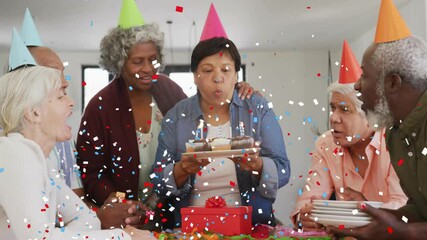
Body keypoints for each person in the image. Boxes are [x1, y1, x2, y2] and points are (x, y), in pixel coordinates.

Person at [76, 22, 256, 229]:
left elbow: (201, 110)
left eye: (153, 59)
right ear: (119, 62)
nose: (147, 68)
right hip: (125, 219)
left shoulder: (168, 89)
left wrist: (232, 88)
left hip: (170, 210)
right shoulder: (100, 106)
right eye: (137, 61)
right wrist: (121, 202)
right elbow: (91, 173)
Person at [0, 66, 154, 239]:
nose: (71, 102)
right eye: (60, 96)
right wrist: (124, 237)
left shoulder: (42, 160)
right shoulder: (16, 154)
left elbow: (88, 220)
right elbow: (38, 238)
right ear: (33, 113)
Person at [152, 37, 291, 227]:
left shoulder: (258, 108)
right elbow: (157, 180)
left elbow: (283, 169)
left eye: (226, 70)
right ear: (195, 76)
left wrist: (258, 166)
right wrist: (182, 169)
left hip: (249, 225)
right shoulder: (176, 117)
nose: (218, 78)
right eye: (207, 70)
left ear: (236, 75)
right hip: (190, 228)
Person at [326, 37, 427, 240]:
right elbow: (420, 210)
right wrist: (374, 220)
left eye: (364, 76)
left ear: (392, 83)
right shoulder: (395, 133)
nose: (356, 86)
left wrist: (403, 232)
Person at [290, 81, 407, 231]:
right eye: (333, 108)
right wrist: (304, 217)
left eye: (345, 109)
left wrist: (365, 214)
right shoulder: (326, 144)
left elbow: (402, 206)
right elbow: (310, 199)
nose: (333, 118)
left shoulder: (395, 143)